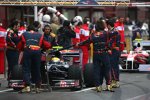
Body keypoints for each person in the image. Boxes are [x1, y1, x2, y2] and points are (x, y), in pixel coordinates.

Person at [79, 19, 112, 92]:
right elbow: (115, 34)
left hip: (96, 54)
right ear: (103, 26)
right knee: (107, 69)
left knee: (96, 70)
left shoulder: (93, 34)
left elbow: (87, 41)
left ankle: (98, 86)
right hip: (104, 53)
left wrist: (79, 43)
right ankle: (108, 85)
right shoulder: (106, 33)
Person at [17, 25, 51, 93]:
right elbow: (47, 45)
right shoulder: (39, 35)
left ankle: (27, 87)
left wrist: (21, 49)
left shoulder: (24, 34)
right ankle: (37, 87)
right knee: (36, 69)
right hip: (37, 51)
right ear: (35, 30)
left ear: (28, 30)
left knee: (26, 69)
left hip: (28, 50)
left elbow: (20, 45)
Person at [107, 19, 121, 88]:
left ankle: (116, 81)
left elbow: (116, 43)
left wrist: (110, 48)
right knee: (111, 66)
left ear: (109, 25)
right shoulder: (111, 31)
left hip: (114, 51)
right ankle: (113, 80)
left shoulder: (115, 32)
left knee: (114, 66)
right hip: (111, 51)